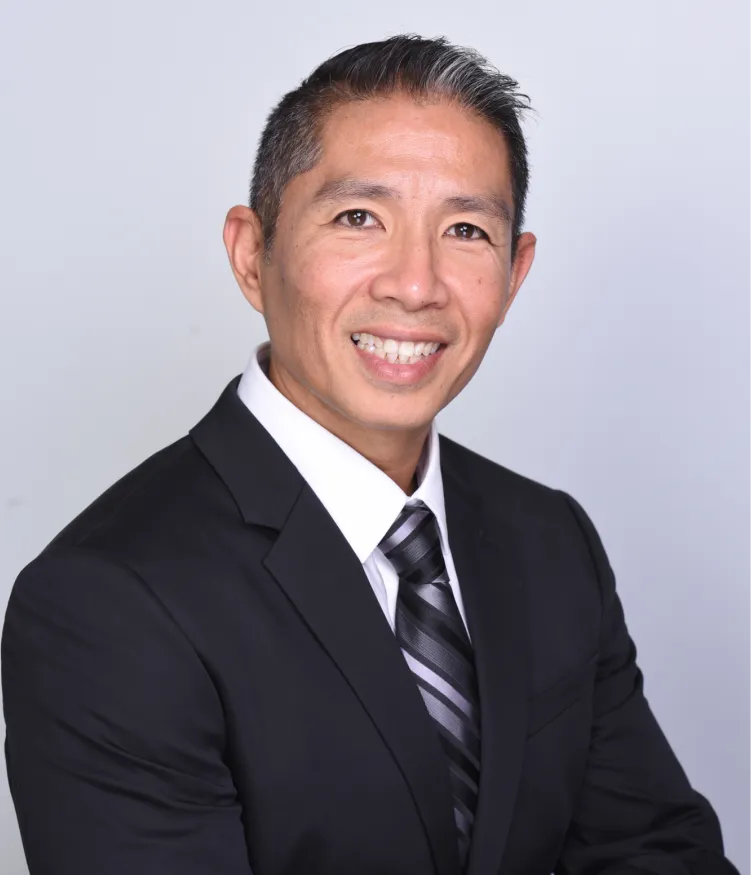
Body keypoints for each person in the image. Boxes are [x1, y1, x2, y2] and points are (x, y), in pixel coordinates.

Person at [1, 34, 739, 875]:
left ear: (513, 270)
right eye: (359, 218)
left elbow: (653, 850)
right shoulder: (107, 601)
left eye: (465, 229)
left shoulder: (549, 539)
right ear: (252, 253)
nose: (415, 283)